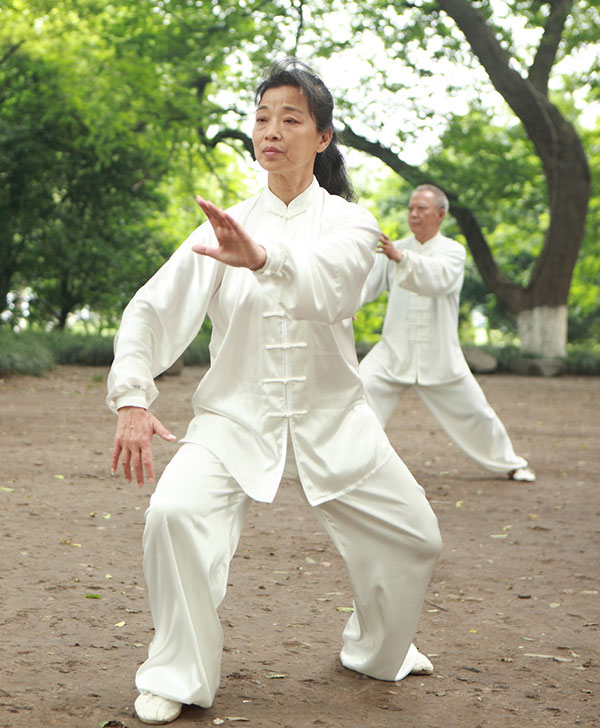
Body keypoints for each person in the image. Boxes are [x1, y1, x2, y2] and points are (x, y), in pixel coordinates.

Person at [107, 60, 442, 725]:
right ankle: (179, 672)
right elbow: (152, 309)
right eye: (262, 116)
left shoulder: (351, 223)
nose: (272, 130)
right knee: (173, 513)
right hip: (235, 417)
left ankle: (378, 651)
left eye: (291, 118)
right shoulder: (218, 228)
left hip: (333, 418)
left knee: (417, 538)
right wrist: (132, 398)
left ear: (322, 137)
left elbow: (334, 287)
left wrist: (265, 260)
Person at [359, 184, 535, 483]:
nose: (414, 215)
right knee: (358, 393)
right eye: (411, 209)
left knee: (476, 412)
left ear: (440, 214)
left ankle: (510, 463)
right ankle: (352, 464)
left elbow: (439, 280)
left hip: (439, 354)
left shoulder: (452, 251)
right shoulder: (395, 248)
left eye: (421, 209)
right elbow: (365, 284)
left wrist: (401, 258)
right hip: (394, 350)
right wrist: (343, 304)